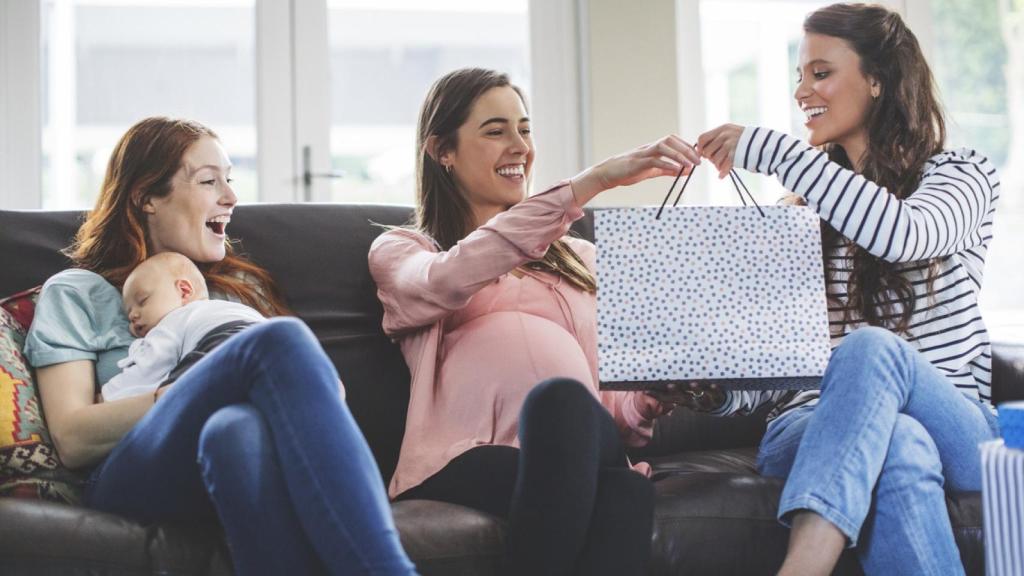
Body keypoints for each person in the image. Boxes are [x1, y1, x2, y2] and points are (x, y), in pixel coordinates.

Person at [25, 117, 417, 576]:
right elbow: (71, 438)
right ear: (146, 197)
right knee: (278, 340)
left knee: (236, 432)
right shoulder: (76, 292)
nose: (231, 197)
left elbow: (319, 396)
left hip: (225, 454)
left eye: (229, 180)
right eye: (209, 181)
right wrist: (184, 393)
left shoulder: (238, 292)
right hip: (126, 472)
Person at [694, 4, 1000, 574]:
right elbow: (770, 373)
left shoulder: (960, 177)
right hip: (812, 424)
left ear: (879, 80)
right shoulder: (794, 216)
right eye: (799, 75)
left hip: (957, 423)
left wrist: (773, 151)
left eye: (820, 72)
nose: (801, 91)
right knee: (899, 444)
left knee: (870, 348)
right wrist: (707, 391)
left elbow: (905, 235)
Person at [368, 67, 702, 576]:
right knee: (621, 487)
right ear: (443, 152)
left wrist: (653, 398)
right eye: (496, 130)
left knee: (579, 419)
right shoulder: (406, 251)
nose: (519, 145)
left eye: (525, 129)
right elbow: (446, 280)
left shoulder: (583, 258)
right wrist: (594, 182)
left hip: (583, 441)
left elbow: (614, 414)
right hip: (469, 454)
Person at [102, 252, 266, 402]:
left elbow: (149, 366)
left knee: (176, 395)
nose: (132, 316)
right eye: (129, 312)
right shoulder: (221, 308)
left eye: (143, 301)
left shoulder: (174, 319)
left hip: (221, 342)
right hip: (263, 342)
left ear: (184, 291)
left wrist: (107, 395)